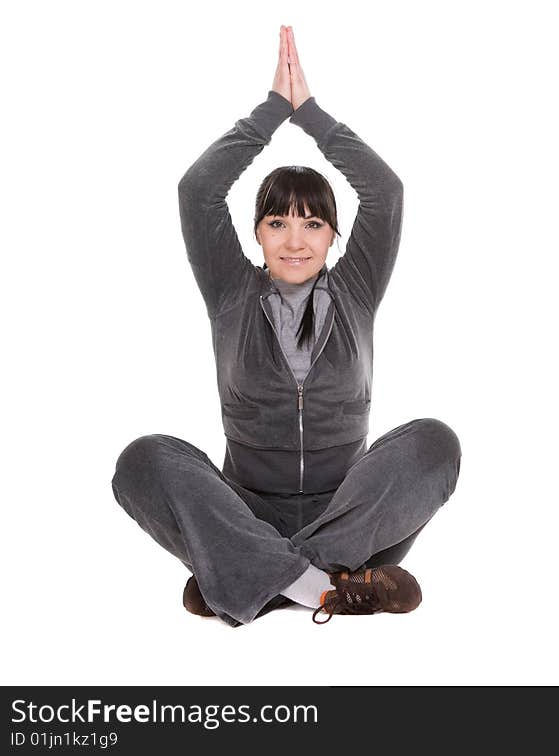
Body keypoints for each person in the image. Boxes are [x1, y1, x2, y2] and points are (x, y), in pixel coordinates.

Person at [110, 25, 462, 627]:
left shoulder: (356, 287)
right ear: (257, 233)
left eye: (313, 225)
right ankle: (325, 587)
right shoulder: (230, 288)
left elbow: (385, 191)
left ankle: (258, 578)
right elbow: (198, 191)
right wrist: (271, 111)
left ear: (334, 235)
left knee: (435, 443)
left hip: (351, 520)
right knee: (142, 461)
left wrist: (311, 115)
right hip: (242, 512)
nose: (295, 241)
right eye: (277, 223)